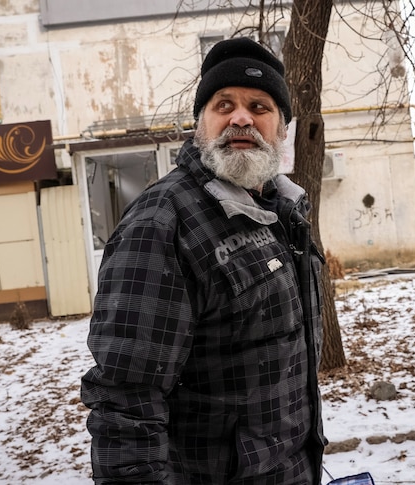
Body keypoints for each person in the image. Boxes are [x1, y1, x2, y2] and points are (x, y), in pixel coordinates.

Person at [81, 37, 326, 484]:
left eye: (260, 106)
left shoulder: (283, 212)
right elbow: (127, 402)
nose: (240, 117)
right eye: (223, 104)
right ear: (201, 124)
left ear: (282, 129)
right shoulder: (162, 222)